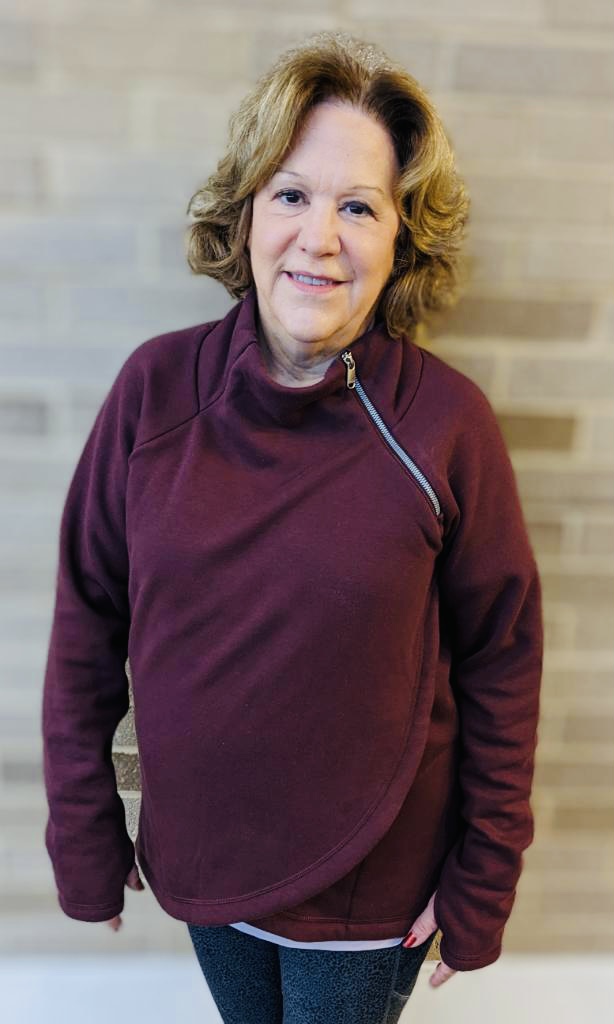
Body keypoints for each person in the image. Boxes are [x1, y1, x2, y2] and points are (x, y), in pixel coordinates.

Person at [41, 29, 543, 1024]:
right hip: (203, 858)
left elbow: (500, 657)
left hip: (369, 881)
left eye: (358, 205)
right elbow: (86, 624)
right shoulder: (154, 391)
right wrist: (86, 834)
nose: (319, 236)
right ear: (247, 214)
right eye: (291, 194)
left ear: (402, 239)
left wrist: (483, 875)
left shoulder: (443, 424)